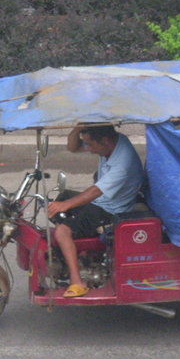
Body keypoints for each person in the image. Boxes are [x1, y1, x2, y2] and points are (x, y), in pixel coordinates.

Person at [48, 125, 143, 298]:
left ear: (104, 141)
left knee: (62, 231)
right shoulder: (115, 140)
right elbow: (73, 147)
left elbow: (95, 192)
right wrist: (78, 128)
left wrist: (67, 205)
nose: (89, 150)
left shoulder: (122, 164)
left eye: (91, 145)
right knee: (59, 200)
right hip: (102, 201)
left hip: (110, 210)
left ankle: (77, 282)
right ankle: (74, 250)